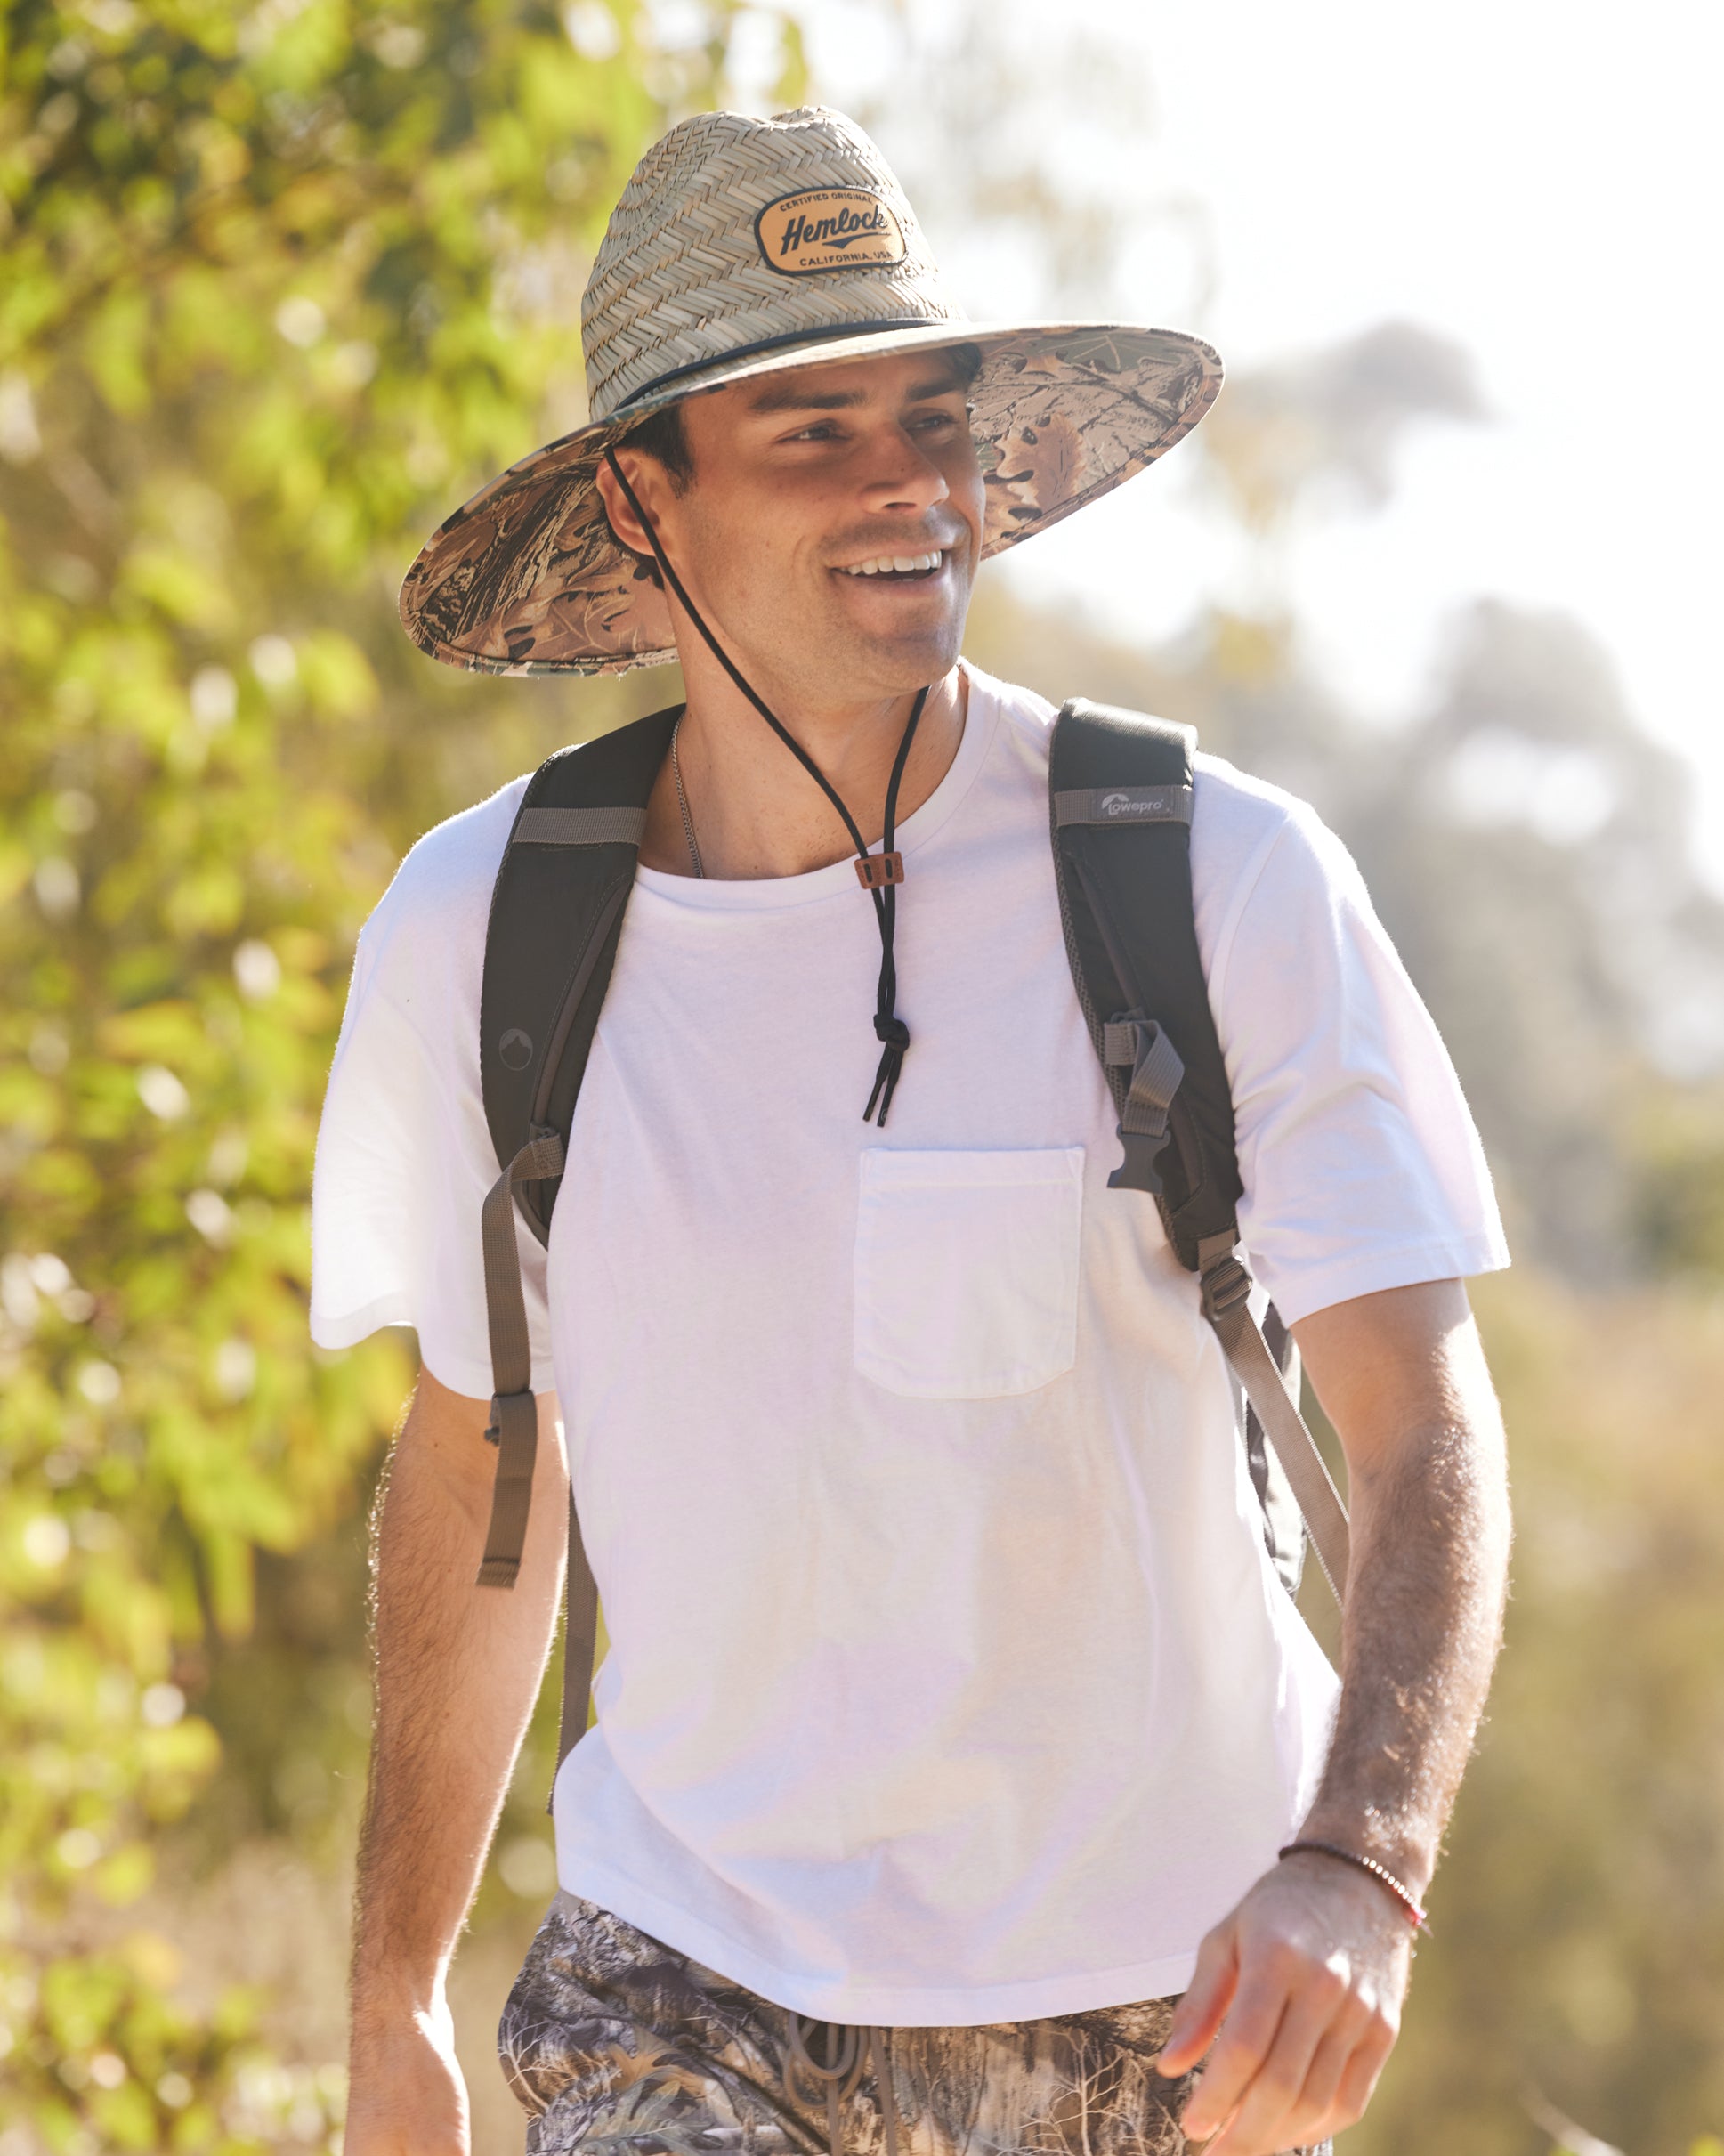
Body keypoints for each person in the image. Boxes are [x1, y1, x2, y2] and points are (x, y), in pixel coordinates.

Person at [311, 106, 1512, 2156]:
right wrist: (395, 1993)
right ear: (642, 499)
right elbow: (483, 1459)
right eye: (810, 428)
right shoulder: (484, 929)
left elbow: (1428, 1433)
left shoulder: (1211, 880)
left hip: (1174, 2007)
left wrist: (1360, 1864)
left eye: (932, 416)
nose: (907, 484)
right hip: (680, 1983)